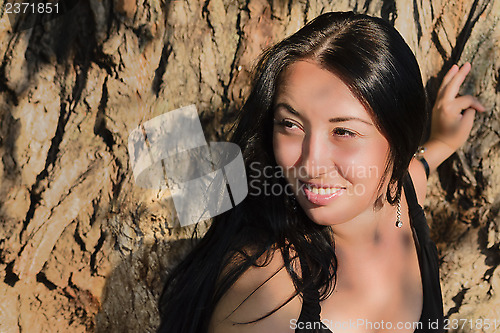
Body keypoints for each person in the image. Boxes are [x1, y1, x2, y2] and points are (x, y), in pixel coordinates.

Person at [157, 11, 485, 333]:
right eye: (290, 124)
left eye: (343, 132)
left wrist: (443, 141)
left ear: (399, 139)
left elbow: (418, 166)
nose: (310, 164)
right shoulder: (265, 290)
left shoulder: (405, 193)